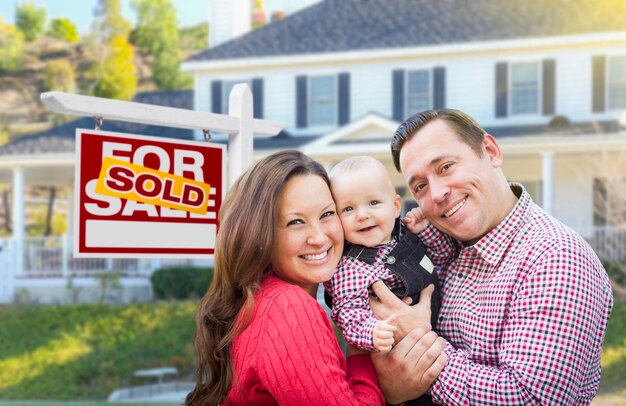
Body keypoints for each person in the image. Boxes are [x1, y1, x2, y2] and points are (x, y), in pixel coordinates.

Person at [369, 108, 614, 405]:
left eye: (446, 167)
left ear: (490, 151)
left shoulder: (556, 258)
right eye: (420, 186)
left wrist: (418, 345)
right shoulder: (442, 247)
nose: (436, 194)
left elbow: (530, 399)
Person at [186, 150, 440, 405]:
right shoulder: (288, 308)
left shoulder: (263, 296)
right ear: (260, 234)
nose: (319, 238)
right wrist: (368, 363)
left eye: (327, 214)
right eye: (295, 222)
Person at [324, 156, 441, 354]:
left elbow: (440, 258)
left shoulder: (406, 233)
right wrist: (372, 332)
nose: (362, 215)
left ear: (395, 207)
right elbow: (348, 314)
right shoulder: (349, 267)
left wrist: (425, 230)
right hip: (397, 349)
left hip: (441, 331)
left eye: (374, 202)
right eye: (348, 209)